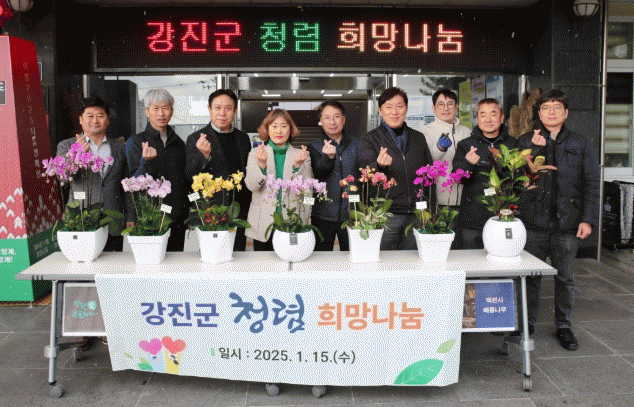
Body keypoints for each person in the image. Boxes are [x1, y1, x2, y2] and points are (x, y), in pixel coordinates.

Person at [517, 89, 600, 350]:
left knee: (564, 277)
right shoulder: (525, 140)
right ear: (538, 113)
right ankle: (527, 324)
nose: (551, 112)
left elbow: (591, 183)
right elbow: (516, 176)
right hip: (534, 221)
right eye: (546, 107)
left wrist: (587, 219)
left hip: (567, 222)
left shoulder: (580, 142)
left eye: (556, 107)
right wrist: (533, 149)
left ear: (566, 113)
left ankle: (564, 326)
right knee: (531, 276)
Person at [359, 87, 434, 250]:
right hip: (386, 215)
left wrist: (430, 210)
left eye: (399, 106)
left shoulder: (418, 138)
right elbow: (364, 174)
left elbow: (430, 175)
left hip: (416, 214)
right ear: (380, 111)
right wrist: (379, 166)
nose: (394, 112)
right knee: (384, 260)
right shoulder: (370, 139)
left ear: (406, 109)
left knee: (413, 259)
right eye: (388, 107)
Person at [57, 96, 128, 252]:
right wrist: (75, 153)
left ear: (107, 120)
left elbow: (126, 185)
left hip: (112, 222)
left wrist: (130, 217)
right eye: (89, 116)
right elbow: (63, 176)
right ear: (81, 120)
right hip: (80, 220)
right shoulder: (66, 145)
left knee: (112, 264)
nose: (95, 120)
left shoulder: (120, 148)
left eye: (100, 116)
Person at [185, 89, 252, 251]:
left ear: (235, 111)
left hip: (237, 209)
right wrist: (204, 155)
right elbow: (189, 175)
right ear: (209, 109)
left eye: (228, 108)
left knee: (238, 254)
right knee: (212, 255)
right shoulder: (196, 138)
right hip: (211, 210)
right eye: (217, 107)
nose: (222, 113)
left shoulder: (243, 138)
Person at [126, 88, 187, 252]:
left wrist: (188, 211)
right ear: (147, 111)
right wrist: (145, 161)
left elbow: (184, 180)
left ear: (172, 111)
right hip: (148, 216)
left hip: (176, 216)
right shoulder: (136, 142)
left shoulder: (179, 143)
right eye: (155, 108)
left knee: (175, 261)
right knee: (151, 262)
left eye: (165, 108)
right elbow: (132, 182)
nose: (161, 113)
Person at [452, 98, 516, 249]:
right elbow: (458, 178)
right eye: (483, 115)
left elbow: (519, 180)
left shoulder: (513, 144)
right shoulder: (466, 145)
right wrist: (469, 164)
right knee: (471, 260)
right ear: (477, 118)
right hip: (472, 219)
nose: (488, 119)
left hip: (504, 217)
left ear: (502, 117)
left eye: (493, 114)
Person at [245, 109, 312, 251]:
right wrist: (262, 165)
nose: (279, 131)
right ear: (267, 129)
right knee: (263, 262)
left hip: (291, 221)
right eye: (274, 126)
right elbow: (251, 186)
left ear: (290, 129)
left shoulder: (302, 155)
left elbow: (307, 189)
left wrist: (297, 166)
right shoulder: (255, 154)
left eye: (283, 126)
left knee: (290, 260)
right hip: (262, 222)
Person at [308, 100, 359, 251]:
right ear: (321, 121)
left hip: (352, 214)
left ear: (344, 119)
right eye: (327, 118)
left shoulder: (357, 145)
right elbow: (317, 173)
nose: (332, 122)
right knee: (321, 257)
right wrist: (328, 158)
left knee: (352, 255)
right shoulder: (314, 146)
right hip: (322, 214)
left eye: (336, 117)